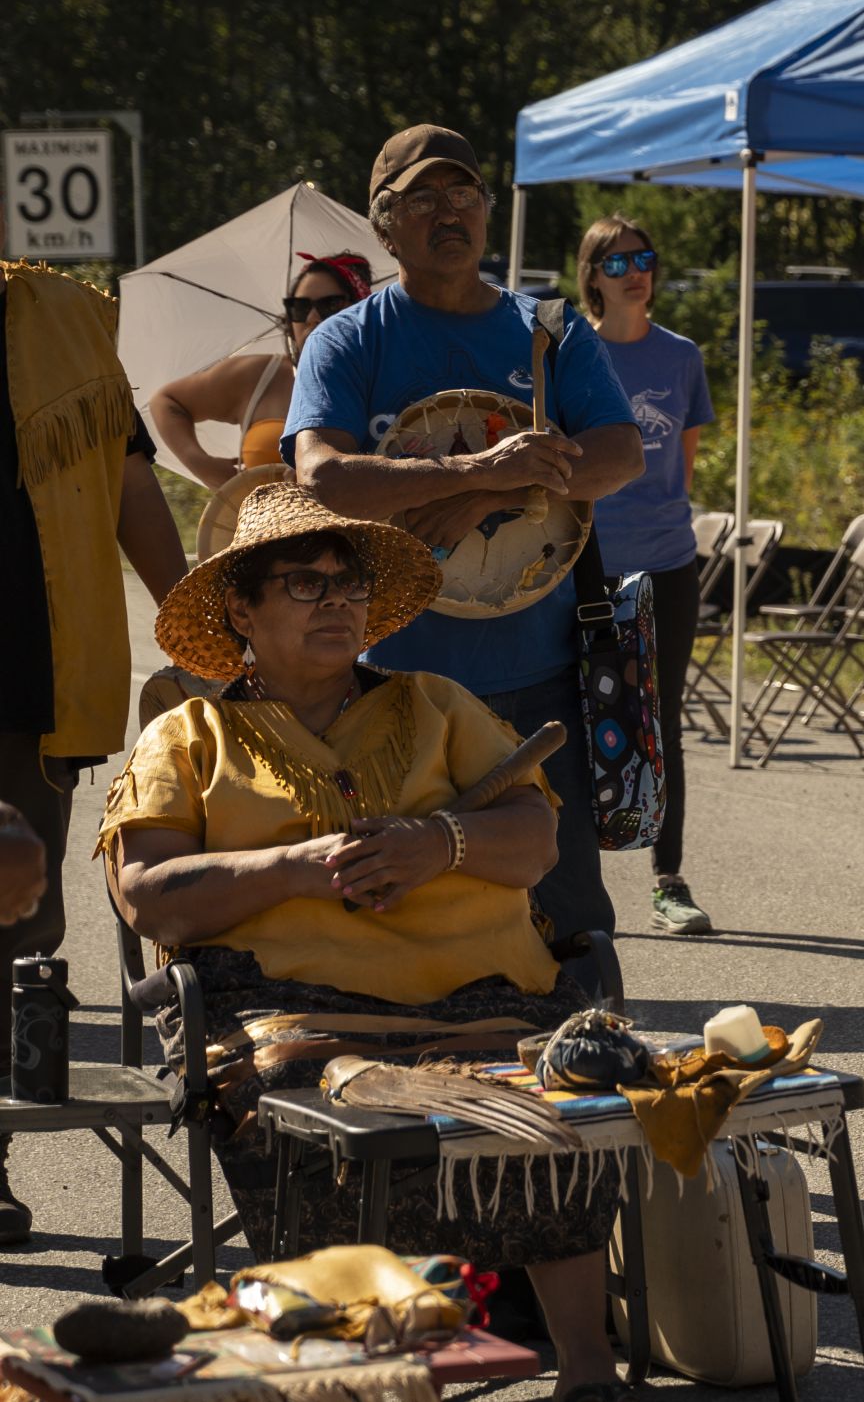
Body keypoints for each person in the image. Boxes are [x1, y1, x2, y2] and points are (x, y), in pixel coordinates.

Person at [97, 486, 624, 1402]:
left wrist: (438, 843)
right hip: (292, 1008)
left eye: (347, 584)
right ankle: (340, 1373)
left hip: (489, 996)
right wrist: (293, 866)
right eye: (304, 583)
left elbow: (536, 842)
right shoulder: (190, 734)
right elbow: (146, 897)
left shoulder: (436, 703)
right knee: (320, 1123)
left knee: (562, 1106)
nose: (335, 600)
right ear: (242, 610)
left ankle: (589, 1373)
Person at [286, 125, 642, 991]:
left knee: (568, 921)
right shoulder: (349, 341)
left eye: (464, 195)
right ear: (385, 225)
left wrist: (494, 493)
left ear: (487, 210)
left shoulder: (546, 329)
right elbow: (322, 475)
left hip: (540, 678)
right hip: (392, 680)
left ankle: (587, 1095)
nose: (450, 214)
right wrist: (464, 470)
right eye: (423, 199)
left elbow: (622, 453)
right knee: (397, 909)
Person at [0, 260, 188, 1247]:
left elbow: (127, 483)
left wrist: (202, 629)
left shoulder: (71, 323)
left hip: (31, 683)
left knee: (11, 924)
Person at [578, 214, 719, 939]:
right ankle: (573, 884)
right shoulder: (573, 349)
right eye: (617, 260)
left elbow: (680, 467)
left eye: (646, 256)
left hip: (667, 561)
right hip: (585, 562)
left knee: (661, 720)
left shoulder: (681, 357)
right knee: (576, 715)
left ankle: (669, 881)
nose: (636, 269)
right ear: (592, 275)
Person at [148, 252, 374, 487]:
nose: (312, 317)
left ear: (359, 310)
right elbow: (166, 401)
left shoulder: (387, 375)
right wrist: (202, 464)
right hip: (265, 521)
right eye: (299, 307)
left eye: (330, 305)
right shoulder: (263, 375)